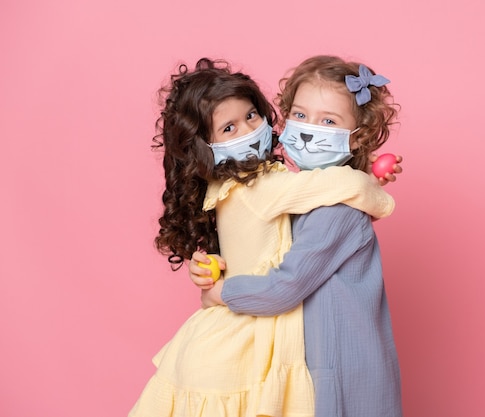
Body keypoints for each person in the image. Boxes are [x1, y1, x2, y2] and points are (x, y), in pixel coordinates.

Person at [129, 57, 397, 417]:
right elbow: (338, 190)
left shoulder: (322, 204)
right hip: (278, 350)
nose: (307, 130)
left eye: (328, 121)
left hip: (335, 365)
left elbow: (323, 228)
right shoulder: (274, 188)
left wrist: (219, 287)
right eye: (299, 116)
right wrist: (369, 184)